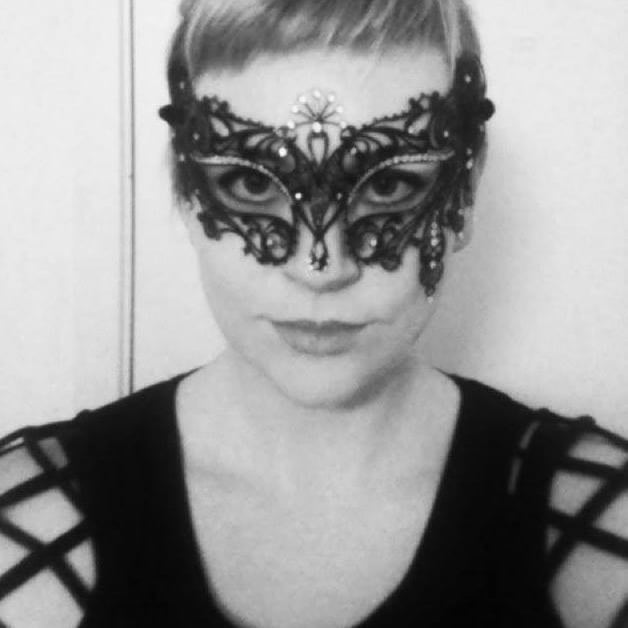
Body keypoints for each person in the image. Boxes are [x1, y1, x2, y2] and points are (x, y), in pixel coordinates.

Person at [0, 0, 627, 626]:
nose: (319, 268)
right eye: (251, 185)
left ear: (463, 194)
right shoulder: (29, 518)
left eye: (388, 186)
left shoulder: (596, 517)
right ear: (187, 196)